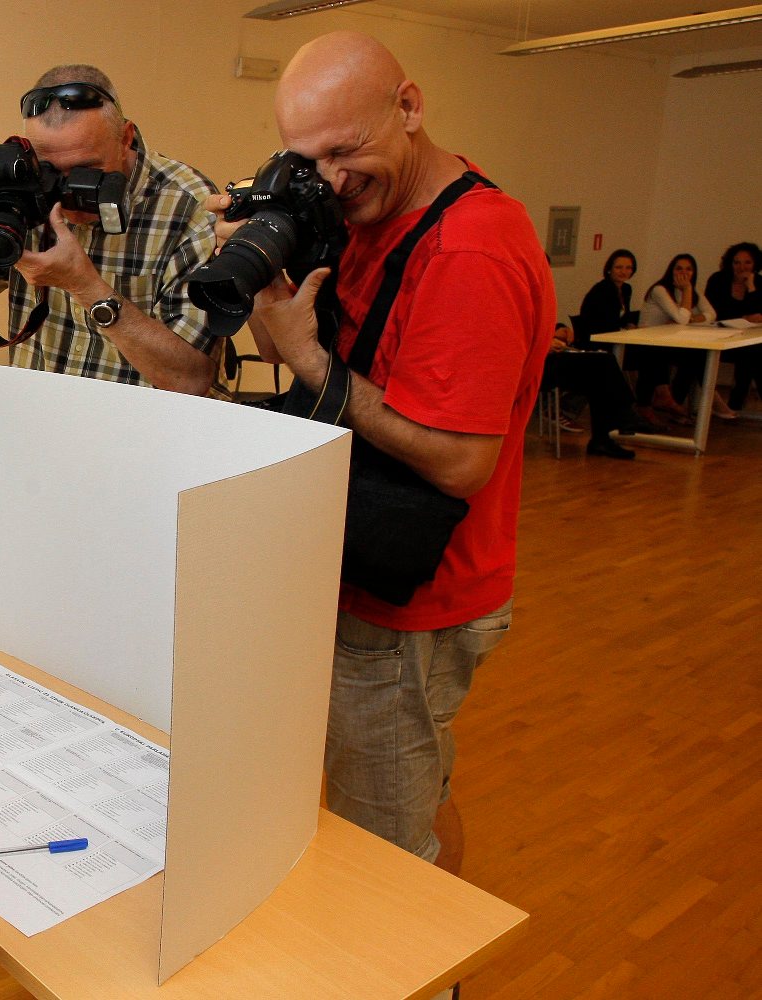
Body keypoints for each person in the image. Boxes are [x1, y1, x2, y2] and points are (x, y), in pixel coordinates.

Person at [222, 32, 554, 871]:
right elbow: (313, 357)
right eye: (306, 161)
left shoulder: (469, 247)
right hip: (360, 570)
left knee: (387, 852)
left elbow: (459, 459)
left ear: (409, 107)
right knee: (417, 801)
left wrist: (308, 360)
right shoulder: (375, 213)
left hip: (415, 604)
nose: (330, 180)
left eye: (347, 149)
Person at [0, 64, 221, 395]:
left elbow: (191, 379)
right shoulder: (21, 183)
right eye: (50, 170)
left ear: (125, 138)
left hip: (141, 432)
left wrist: (86, 287)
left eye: (87, 170)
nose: (66, 189)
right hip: (42, 421)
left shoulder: (188, 205)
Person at [637, 253, 731, 422]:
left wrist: (693, 318)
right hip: (646, 343)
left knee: (698, 354)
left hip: (667, 342)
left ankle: (678, 401)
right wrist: (687, 291)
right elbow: (681, 319)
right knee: (694, 355)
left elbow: (711, 314)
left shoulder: (693, 291)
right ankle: (701, 399)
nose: (684, 273)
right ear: (671, 270)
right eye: (679, 268)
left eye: (688, 269)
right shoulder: (660, 290)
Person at [544, 324, 650, 459]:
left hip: (547, 354)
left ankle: (608, 431)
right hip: (533, 363)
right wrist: (544, 342)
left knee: (604, 363)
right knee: (600, 367)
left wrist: (559, 329)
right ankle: (620, 417)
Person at [704, 241, 762, 412]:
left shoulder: (759, 282)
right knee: (753, 355)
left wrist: (751, 288)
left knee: (752, 353)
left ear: (755, 264)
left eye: (747, 262)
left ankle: (735, 404)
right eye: (737, 262)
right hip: (720, 336)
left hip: (748, 340)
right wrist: (743, 317)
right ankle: (735, 404)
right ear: (730, 263)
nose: (742, 267)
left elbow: (758, 313)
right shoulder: (718, 280)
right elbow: (713, 312)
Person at [574, 249, 639, 345]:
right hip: (596, 339)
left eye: (628, 268)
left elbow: (625, 317)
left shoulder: (626, 289)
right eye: (618, 267)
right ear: (609, 269)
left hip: (615, 336)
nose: (623, 272)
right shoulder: (603, 289)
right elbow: (606, 322)